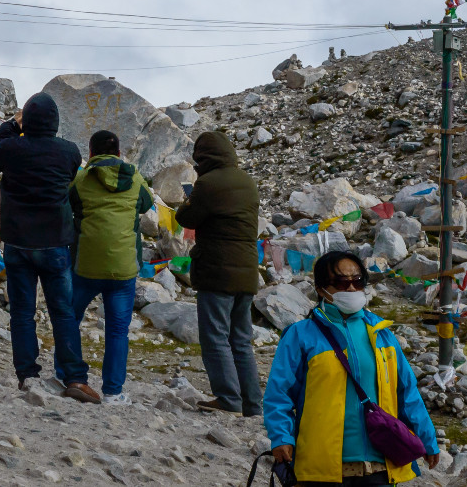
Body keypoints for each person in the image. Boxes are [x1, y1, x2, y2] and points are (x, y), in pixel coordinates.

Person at [264, 249, 439, 483]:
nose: (351, 289)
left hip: (381, 464)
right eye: (340, 282)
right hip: (322, 467)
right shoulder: (300, 335)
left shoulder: (382, 334)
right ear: (320, 289)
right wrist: (281, 437)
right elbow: (279, 393)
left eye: (357, 281)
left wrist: (428, 439)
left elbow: (407, 393)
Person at [0, 92, 96, 402]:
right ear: (55, 122)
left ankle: (27, 376)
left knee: (23, 314)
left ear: (27, 120)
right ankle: (75, 379)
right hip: (56, 242)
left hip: (18, 243)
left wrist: (13, 127)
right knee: (63, 313)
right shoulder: (69, 151)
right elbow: (69, 177)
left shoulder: (14, 147)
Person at [177, 129, 263, 415]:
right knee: (240, 340)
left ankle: (228, 398)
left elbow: (186, 217)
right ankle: (252, 403)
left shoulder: (209, 183)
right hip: (247, 270)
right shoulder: (247, 181)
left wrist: (187, 197)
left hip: (217, 269)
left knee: (215, 336)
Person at [67, 129, 156, 404]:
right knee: (118, 330)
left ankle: (69, 378)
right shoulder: (135, 178)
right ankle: (113, 392)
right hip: (124, 267)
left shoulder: (81, 180)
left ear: (90, 153)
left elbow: (71, 203)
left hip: (86, 266)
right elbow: (147, 204)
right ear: (119, 153)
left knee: (70, 319)